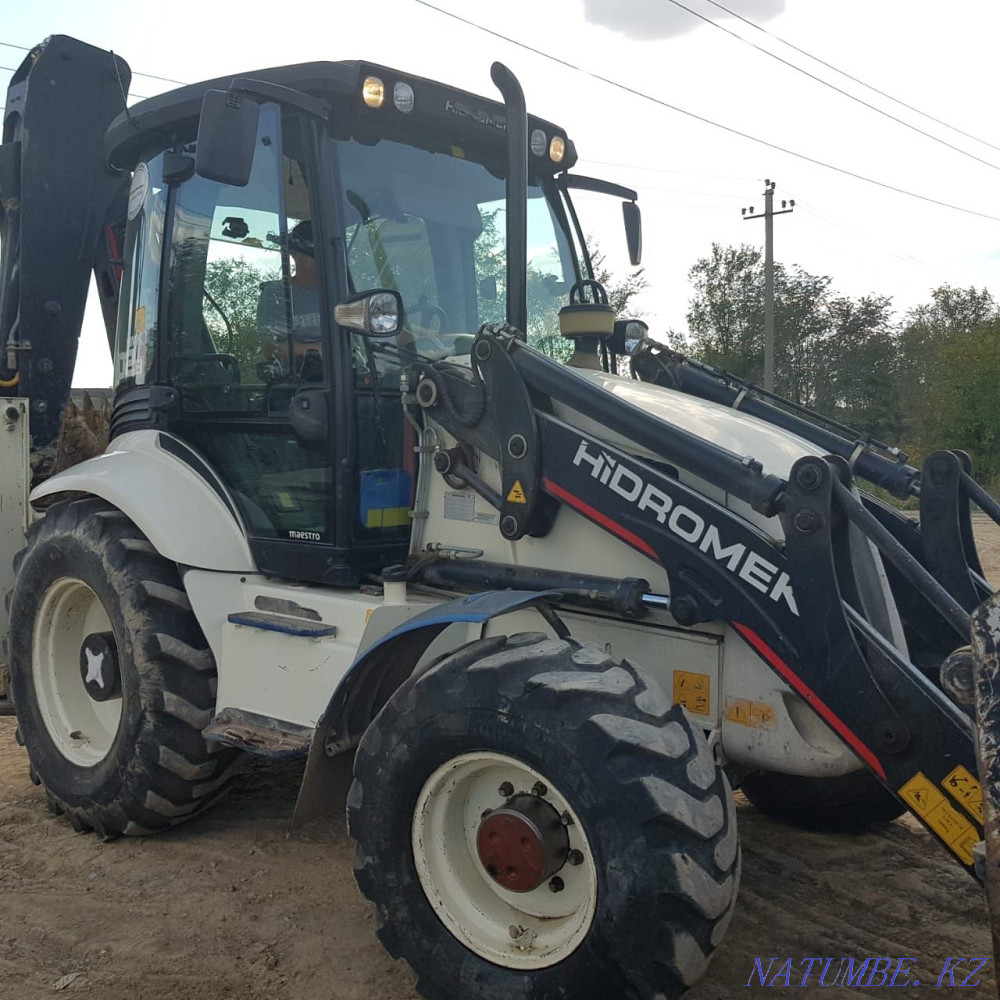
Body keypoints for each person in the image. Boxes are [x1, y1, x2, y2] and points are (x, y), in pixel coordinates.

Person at [257, 220, 323, 378]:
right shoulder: (276, 294)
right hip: (297, 385)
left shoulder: (342, 292)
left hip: (349, 379)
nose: (322, 257)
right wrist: (318, 350)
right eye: (314, 251)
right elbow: (270, 349)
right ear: (295, 253)